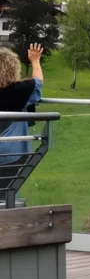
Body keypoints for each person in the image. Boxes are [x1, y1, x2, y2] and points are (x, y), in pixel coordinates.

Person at [0, 44, 44, 184]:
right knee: (8, 191)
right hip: (12, 154)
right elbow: (38, 83)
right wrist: (35, 61)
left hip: (11, 154)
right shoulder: (21, 90)